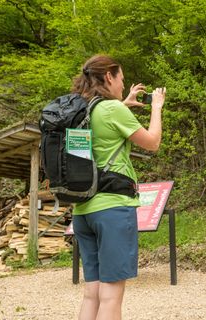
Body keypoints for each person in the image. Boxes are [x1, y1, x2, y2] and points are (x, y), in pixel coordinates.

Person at [70, 54, 166, 320]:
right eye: (121, 79)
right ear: (109, 77)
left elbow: (103, 125)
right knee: (111, 296)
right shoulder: (112, 110)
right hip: (112, 210)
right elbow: (153, 142)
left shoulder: (81, 108)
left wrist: (125, 103)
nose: (123, 86)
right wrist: (156, 107)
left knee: (92, 293)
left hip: (82, 212)